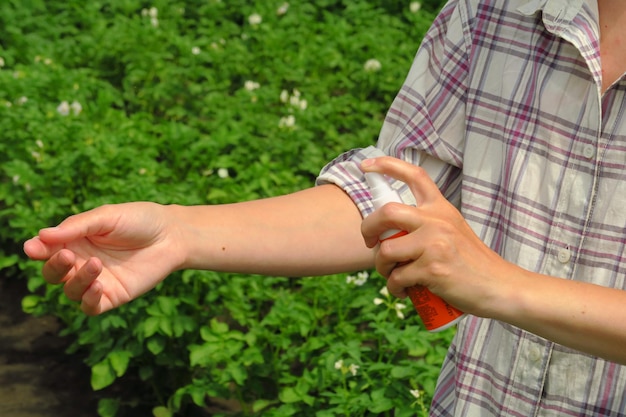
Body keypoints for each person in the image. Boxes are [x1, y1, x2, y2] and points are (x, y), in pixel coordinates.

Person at [23, 0, 626, 415]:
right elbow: (390, 198)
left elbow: (486, 280)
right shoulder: (491, 12)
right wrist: (180, 232)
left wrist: (500, 285)